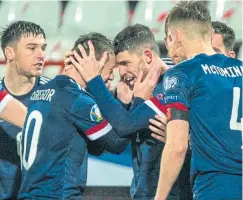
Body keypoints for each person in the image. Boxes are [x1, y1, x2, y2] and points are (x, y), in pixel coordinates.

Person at [18, 32, 163, 199]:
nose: (111, 77)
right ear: (93, 64)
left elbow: (96, 146)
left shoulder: (41, 91)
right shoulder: (77, 99)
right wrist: (132, 102)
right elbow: (117, 144)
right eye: (110, 70)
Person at [69, 24, 180, 200]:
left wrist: (94, 80)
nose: (121, 72)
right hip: (141, 192)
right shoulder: (134, 87)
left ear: (148, 56)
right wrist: (127, 101)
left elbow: (125, 126)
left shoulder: (172, 85)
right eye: (118, 65)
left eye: (125, 63)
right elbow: (116, 143)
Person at [155, 1, 242, 200]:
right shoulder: (240, 68)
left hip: (214, 186)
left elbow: (177, 146)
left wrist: (159, 197)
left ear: (176, 36)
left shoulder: (182, 74)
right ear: (209, 33)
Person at [0, 21, 49, 199]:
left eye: (43, 48)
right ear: (10, 53)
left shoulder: (56, 95)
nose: (41, 55)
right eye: (31, 48)